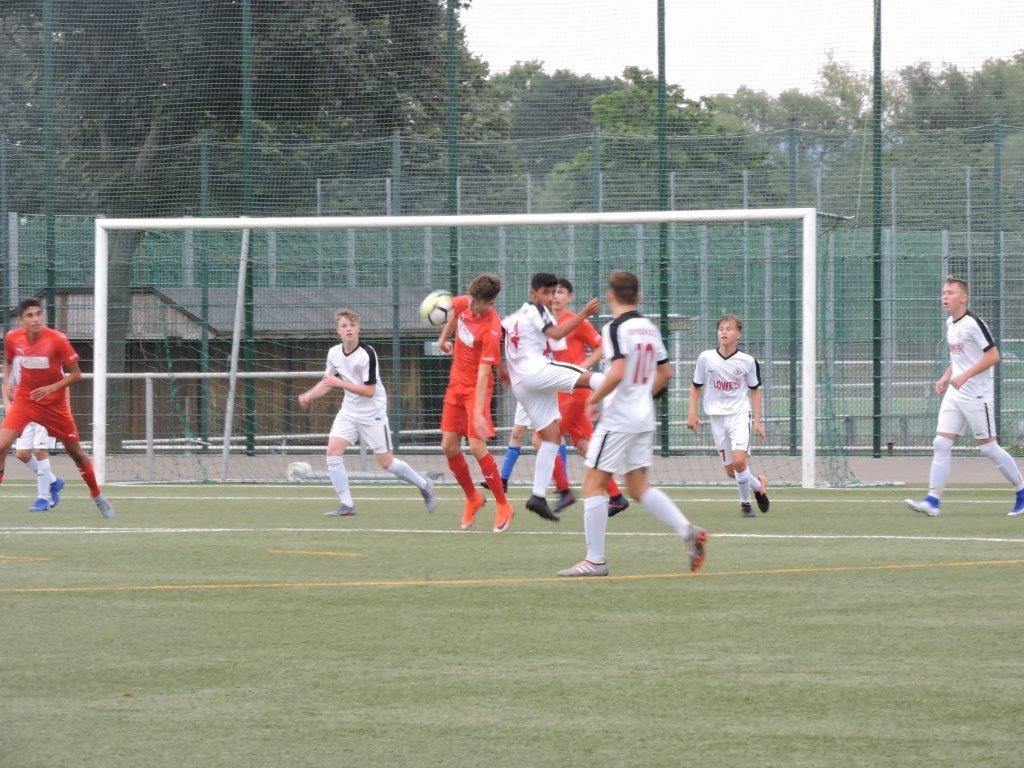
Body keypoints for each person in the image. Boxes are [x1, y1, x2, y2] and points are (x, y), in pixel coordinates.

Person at [557, 270, 707, 577]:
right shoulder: (649, 328)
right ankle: (687, 530)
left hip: (619, 418)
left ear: (610, 296)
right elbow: (665, 373)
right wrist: (641, 396)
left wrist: (593, 399)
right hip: (642, 418)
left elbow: (617, 372)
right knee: (638, 488)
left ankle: (595, 560)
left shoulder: (614, 328)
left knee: (593, 484)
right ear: (638, 296)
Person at [298, 308, 438, 517]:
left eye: (352, 325)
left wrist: (339, 383)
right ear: (338, 330)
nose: (349, 329)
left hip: (373, 413)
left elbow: (369, 391)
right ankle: (347, 505)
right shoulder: (334, 353)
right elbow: (328, 382)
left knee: (387, 463)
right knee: (332, 453)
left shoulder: (367, 354)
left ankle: (424, 485)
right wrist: (309, 395)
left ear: (358, 328)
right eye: (344, 325)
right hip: (349, 412)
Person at [905, 276, 1024, 517]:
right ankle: (932, 501)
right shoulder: (951, 323)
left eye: (950, 293)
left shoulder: (973, 324)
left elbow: (993, 356)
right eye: (943, 293)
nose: (945, 297)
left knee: (988, 448)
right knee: (941, 443)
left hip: (977, 396)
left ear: (963, 297)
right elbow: (960, 358)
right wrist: (946, 376)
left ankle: (1021, 491)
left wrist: (965, 376)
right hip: (955, 395)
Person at [501, 272, 603, 522]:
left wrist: (500, 370)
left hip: (521, 384)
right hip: (535, 371)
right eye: (545, 292)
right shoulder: (537, 311)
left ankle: (538, 496)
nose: (550, 297)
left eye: (554, 292)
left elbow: (496, 336)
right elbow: (556, 334)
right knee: (590, 377)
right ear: (533, 293)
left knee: (551, 438)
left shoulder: (514, 317)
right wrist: (584, 313)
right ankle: (630, 394)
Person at [0, 298, 114, 517]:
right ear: (21, 320)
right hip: (26, 400)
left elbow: (76, 374)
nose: (35, 319)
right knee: (2, 447)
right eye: (30, 315)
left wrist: (51, 388)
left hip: (54, 404)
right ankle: (45, 493)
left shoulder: (57, 339)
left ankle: (97, 495)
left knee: (76, 453)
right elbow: (8, 360)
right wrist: (7, 383)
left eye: (38, 314)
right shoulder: (13, 338)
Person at [436, 274, 515, 532]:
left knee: (477, 447)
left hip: (476, 390)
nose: (470, 305)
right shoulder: (466, 302)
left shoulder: (492, 328)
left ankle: (503, 504)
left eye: (476, 302)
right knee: (448, 446)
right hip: (455, 384)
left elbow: (483, 374)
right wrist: (443, 339)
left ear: (489, 303)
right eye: (470, 299)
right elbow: (455, 313)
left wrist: (479, 412)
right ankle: (473, 498)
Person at [549, 277, 630, 516]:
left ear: (570, 297)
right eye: (553, 292)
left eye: (561, 292)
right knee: (585, 446)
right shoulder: (548, 324)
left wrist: (584, 365)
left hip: (575, 391)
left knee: (544, 439)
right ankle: (616, 497)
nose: (555, 296)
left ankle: (563, 491)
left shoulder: (576, 321)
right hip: (559, 391)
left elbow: (602, 346)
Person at [686, 314, 770, 518]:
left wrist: (757, 421)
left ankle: (745, 504)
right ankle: (758, 485)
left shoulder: (747, 361)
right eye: (721, 329)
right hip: (717, 417)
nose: (724, 332)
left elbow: (755, 390)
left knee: (740, 462)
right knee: (732, 471)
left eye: (729, 328)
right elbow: (696, 387)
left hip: (739, 414)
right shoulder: (706, 358)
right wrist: (692, 414)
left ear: (738, 334)